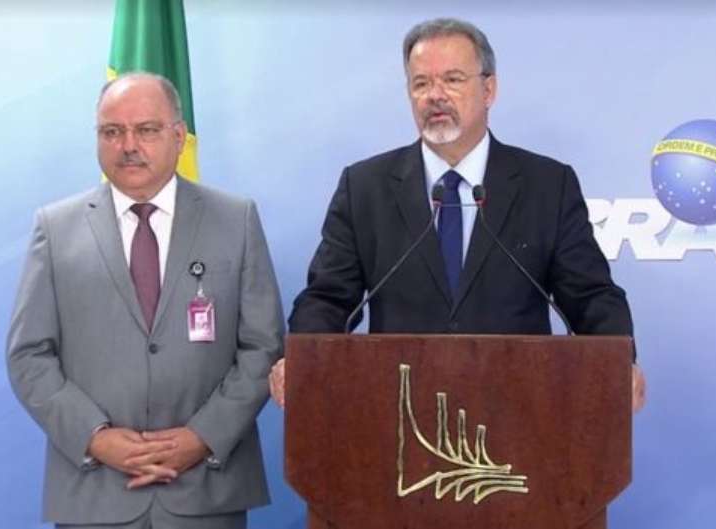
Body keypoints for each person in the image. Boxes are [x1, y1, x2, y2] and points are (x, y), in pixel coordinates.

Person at [270, 18, 644, 410]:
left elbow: (590, 296)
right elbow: (327, 298)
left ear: (489, 89)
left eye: (452, 80)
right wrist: (302, 359)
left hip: (521, 413)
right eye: (421, 84)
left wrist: (618, 362)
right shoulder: (365, 187)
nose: (435, 95)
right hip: (398, 414)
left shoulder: (547, 185)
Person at [7, 72, 284, 529]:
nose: (128, 146)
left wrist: (202, 436)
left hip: (206, 491)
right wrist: (94, 438)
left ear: (178, 136)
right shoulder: (55, 229)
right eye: (112, 132)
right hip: (94, 493)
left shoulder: (236, 220)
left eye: (147, 130)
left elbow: (263, 347)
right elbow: (28, 355)